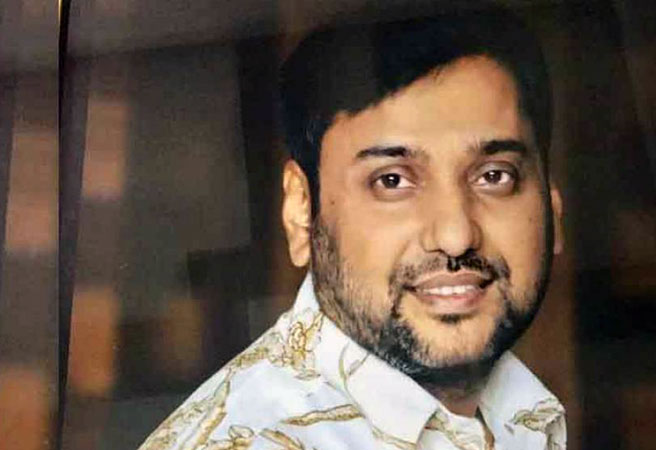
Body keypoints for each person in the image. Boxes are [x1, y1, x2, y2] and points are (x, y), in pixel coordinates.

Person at [140, 6, 565, 449]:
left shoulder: (518, 415)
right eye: (392, 181)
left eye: (494, 176)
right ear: (301, 212)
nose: (456, 236)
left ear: (553, 204)